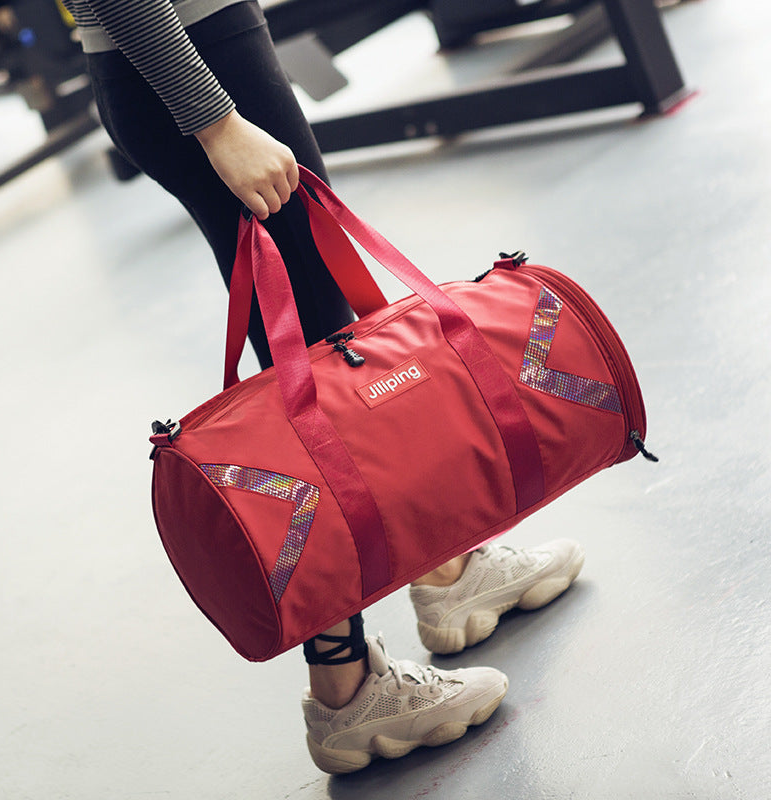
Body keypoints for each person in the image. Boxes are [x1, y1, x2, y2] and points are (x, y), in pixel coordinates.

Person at [64, 0, 585, 774]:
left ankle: (443, 565)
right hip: (190, 58)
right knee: (314, 366)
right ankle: (348, 690)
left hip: (192, 49)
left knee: (330, 350)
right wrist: (216, 119)